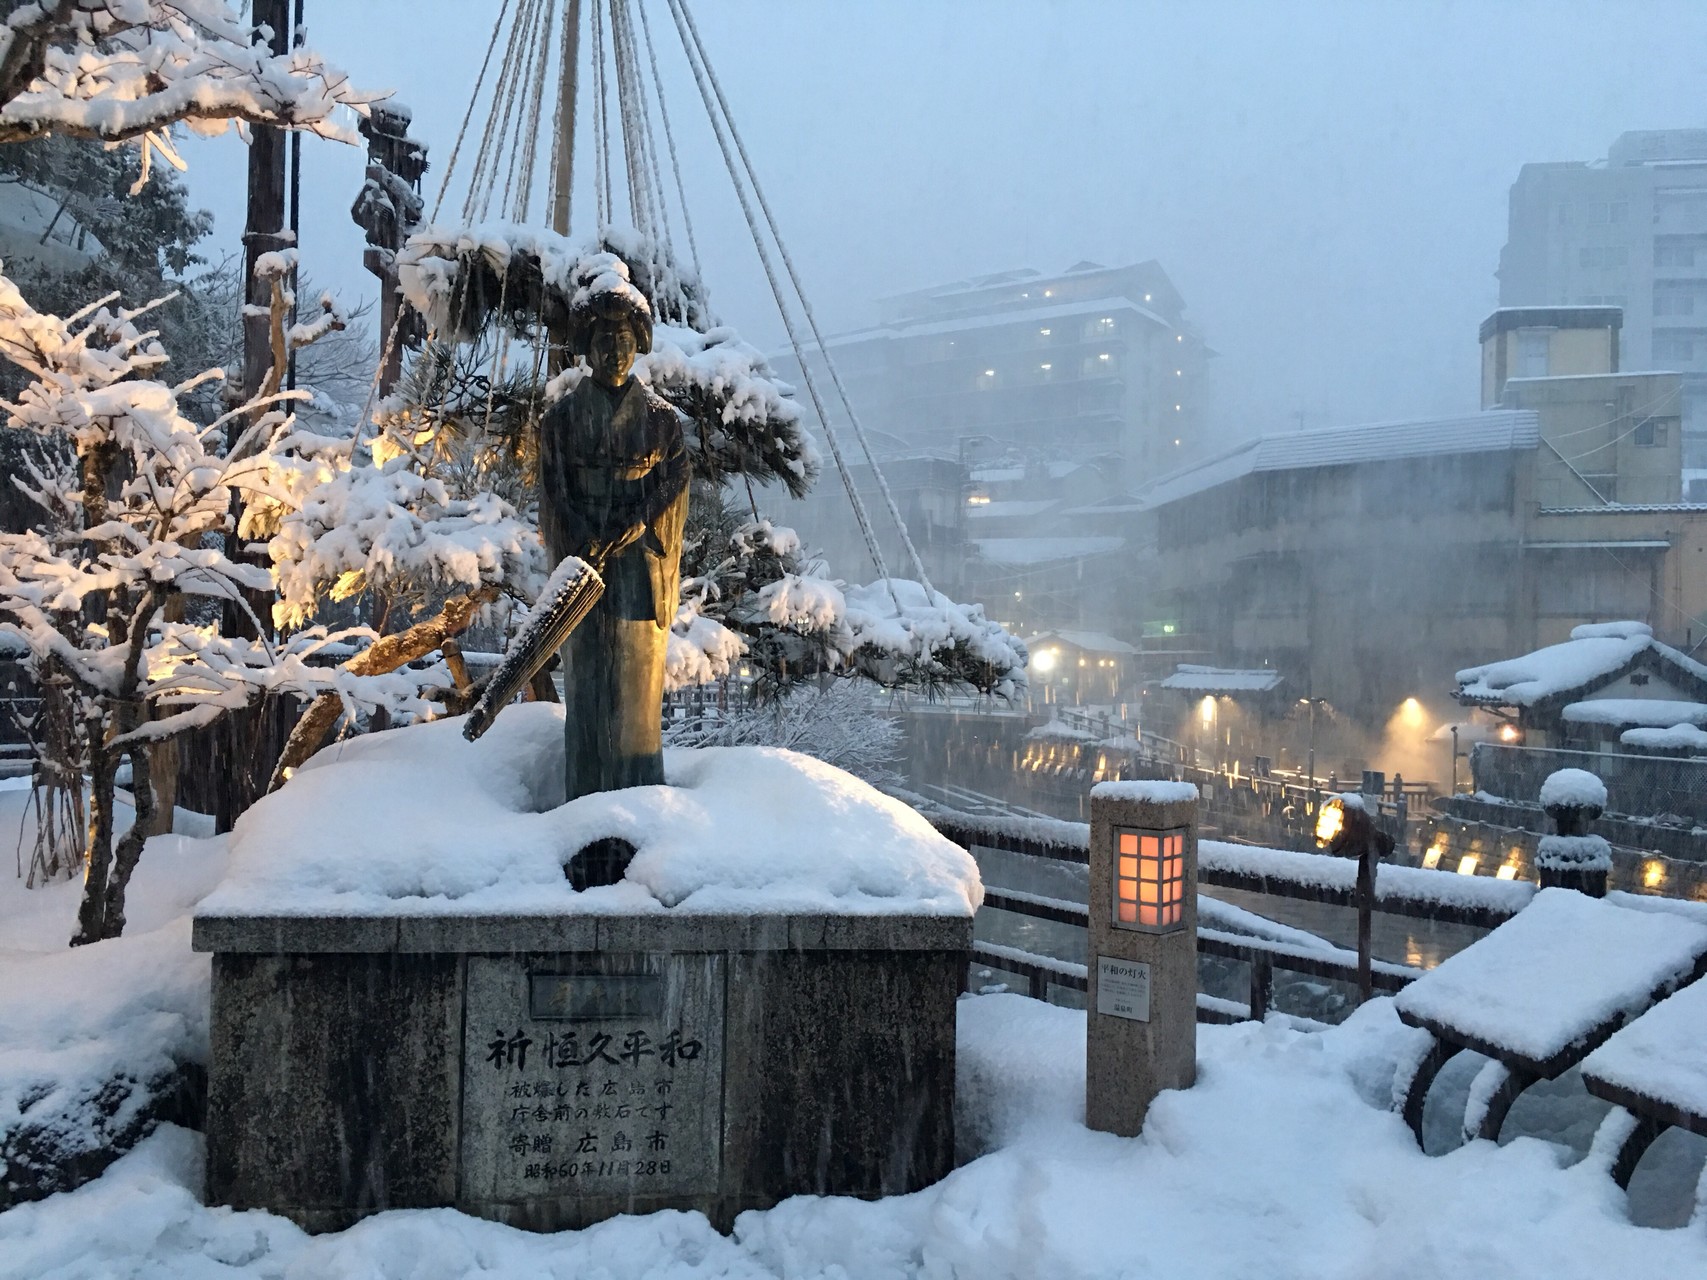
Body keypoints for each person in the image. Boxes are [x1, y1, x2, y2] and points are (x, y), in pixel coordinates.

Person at [536, 287, 689, 800]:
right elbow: (554, 491)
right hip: (586, 557)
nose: (615, 351)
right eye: (604, 339)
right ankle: (585, 796)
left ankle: (639, 794)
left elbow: (675, 481)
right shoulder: (560, 420)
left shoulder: (662, 420)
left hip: (640, 565)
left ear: (639, 343)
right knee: (590, 679)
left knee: (637, 684)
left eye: (624, 339)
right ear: (587, 346)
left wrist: (641, 521)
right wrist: (583, 534)